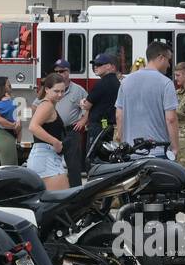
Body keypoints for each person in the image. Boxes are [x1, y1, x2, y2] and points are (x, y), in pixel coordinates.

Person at [115, 41, 179, 159]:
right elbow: (171, 119)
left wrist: (122, 143)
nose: (169, 65)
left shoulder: (125, 82)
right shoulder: (166, 83)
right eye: (168, 60)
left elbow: (119, 116)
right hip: (159, 152)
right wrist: (175, 149)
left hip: (131, 152)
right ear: (161, 58)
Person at [26, 71, 70, 190]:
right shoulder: (47, 105)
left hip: (45, 157)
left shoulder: (47, 105)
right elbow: (33, 126)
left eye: (63, 91)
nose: (60, 94)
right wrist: (55, 142)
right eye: (56, 91)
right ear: (47, 89)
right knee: (62, 202)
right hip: (46, 157)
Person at [51, 58, 89, 187]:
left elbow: (88, 106)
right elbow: (36, 105)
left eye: (62, 71)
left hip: (72, 131)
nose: (59, 73)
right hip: (54, 132)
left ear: (69, 72)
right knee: (52, 165)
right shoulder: (50, 89)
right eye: (56, 71)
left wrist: (83, 120)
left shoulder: (78, 90)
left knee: (73, 166)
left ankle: (76, 194)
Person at [85, 52, 121, 153]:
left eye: (99, 65)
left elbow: (87, 105)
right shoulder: (117, 82)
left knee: (93, 156)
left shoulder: (101, 84)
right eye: (94, 65)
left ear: (109, 66)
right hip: (109, 127)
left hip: (98, 127)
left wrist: (82, 102)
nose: (95, 67)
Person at [0, 76, 21, 167]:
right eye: (8, 85)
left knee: (12, 166)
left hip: (8, 137)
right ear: (2, 88)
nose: (11, 86)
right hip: (4, 136)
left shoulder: (10, 101)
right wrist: (13, 125)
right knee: (9, 168)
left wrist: (17, 122)